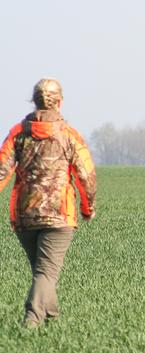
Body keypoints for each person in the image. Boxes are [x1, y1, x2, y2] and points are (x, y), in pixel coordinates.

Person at [0, 78, 97, 328]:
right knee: (46, 273)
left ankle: (52, 322)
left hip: (25, 214)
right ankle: (31, 321)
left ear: (34, 101)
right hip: (59, 215)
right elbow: (86, 175)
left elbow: (2, 170)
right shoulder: (69, 135)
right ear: (60, 102)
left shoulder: (18, 134)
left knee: (42, 272)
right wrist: (88, 207)